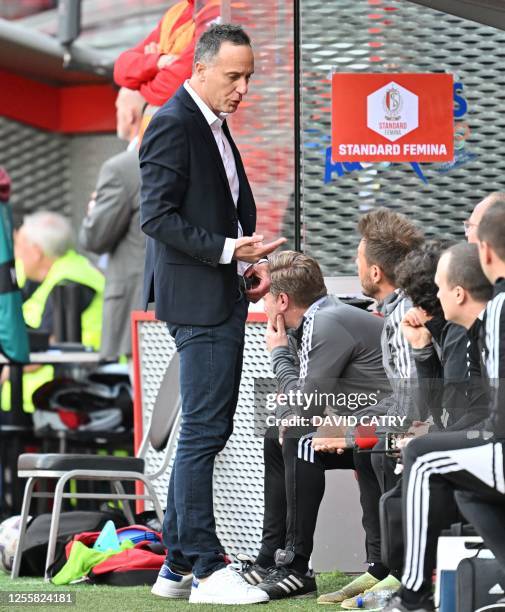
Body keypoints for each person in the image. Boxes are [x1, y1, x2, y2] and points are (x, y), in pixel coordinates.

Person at [139, 24, 285, 605]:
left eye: (249, 75)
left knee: (205, 429)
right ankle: (203, 565)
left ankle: (175, 568)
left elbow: (218, 214)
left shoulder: (208, 123)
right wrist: (230, 252)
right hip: (195, 302)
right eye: (233, 75)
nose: (244, 87)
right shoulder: (175, 123)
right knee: (204, 431)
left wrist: (239, 267)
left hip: (214, 292)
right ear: (199, 69)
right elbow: (156, 218)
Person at [236, 251, 388, 600]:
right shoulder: (317, 317)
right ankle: (270, 558)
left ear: (283, 300)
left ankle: (295, 566)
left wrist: (278, 353)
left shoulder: (326, 322)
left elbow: (305, 408)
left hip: (392, 427)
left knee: (295, 437)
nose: (261, 303)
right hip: (366, 426)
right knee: (277, 432)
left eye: (266, 295)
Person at [384, 202, 505, 612]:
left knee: (421, 455)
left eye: (438, 288)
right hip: (494, 437)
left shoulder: (496, 310)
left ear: (487, 252)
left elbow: (470, 411)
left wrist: (460, 436)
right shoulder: (475, 323)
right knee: (467, 486)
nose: (433, 297)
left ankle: (413, 595)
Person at [317, 208, 424, 608]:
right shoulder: (392, 310)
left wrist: (353, 428)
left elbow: (415, 399)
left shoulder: (405, 313)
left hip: (427, 424)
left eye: (358, 261)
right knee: (365, 450)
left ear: (375, 272)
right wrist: (352, 423)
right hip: (408, 416)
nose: (354, 266)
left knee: (377, 449)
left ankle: (400, 569)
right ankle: (380, 565)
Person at [2, 212, 104, 412]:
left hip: (56, 403)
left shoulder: (71, 281)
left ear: (36, 251)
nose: (16, 253)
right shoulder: (41, 276)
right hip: (35, 401)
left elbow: (46, 345)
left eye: (19, 245)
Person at [79, 87, 146, 362]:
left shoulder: (123, 168)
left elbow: (94, 237)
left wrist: (94, 210)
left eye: (118, 107)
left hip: (134, 305)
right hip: (166, 303)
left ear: (130, 114)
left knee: (142, 400)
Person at [113, 0, 220, 135]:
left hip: (197, 140)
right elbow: (121, 68)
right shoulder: (178, 11)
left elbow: (176, 86)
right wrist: (157, 62)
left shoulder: (218, 9)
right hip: (163, 143)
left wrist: (141, 82)